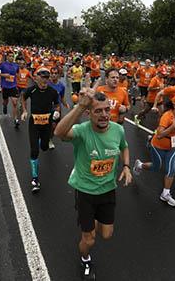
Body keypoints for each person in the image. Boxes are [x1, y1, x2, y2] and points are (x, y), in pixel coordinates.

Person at [54, 89, 132, 280]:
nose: (104, 114)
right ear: (89, 114)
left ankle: (91, 223)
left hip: (108, 190)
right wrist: (81, 105)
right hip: (85, 192)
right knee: (89, 239)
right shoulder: (82, 131)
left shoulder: (118, 129)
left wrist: (127, 166)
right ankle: (85, 259)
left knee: (106, 234)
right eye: (98, 111)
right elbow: (59, 132)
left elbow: (124, 146)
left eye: (107, 110)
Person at [133, 94, 175, 207]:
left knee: (171, 169)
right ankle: (140, 165)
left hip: (172, 147)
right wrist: (173, 127)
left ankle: (165, 193)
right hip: (158, 145)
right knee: (156, 167)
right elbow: (159, 135)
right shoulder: (167, 116)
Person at [21, 68, 60, 192]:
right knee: (34, 151)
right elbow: (23, 97)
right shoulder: (31, 90)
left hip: (47, 124)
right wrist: (25, 111)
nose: (44, 80)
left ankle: (41, 143)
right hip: (34, 123)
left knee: (44, 147)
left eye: (46, 78)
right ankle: (35, 178)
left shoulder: (53, 92)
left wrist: (56, 112)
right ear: (36, 77)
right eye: (42, 77)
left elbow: (57, 104)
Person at [0, 54, 20, 127]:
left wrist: (19, 78)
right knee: (5, 102)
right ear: (7, 57)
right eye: (10, 56)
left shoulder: (16, 65)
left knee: (15, 103)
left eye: (12, 56)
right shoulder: (3, 64)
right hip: (5, 87)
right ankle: (4, 106)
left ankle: (16, 119)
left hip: (13, 86)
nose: (11, 57)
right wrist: (3, 75)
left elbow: (18, 73)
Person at [48, 66, 70, 149]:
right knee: (45, 124)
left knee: (54, 125)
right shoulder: (46, 84)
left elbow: (62, 97)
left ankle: (50, 139)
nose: (53, 75)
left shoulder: (61, 86)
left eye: (55, 73)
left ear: (58, 75)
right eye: (52, 73)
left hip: (56, 108)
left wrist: (65, 104)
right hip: (46, 107)